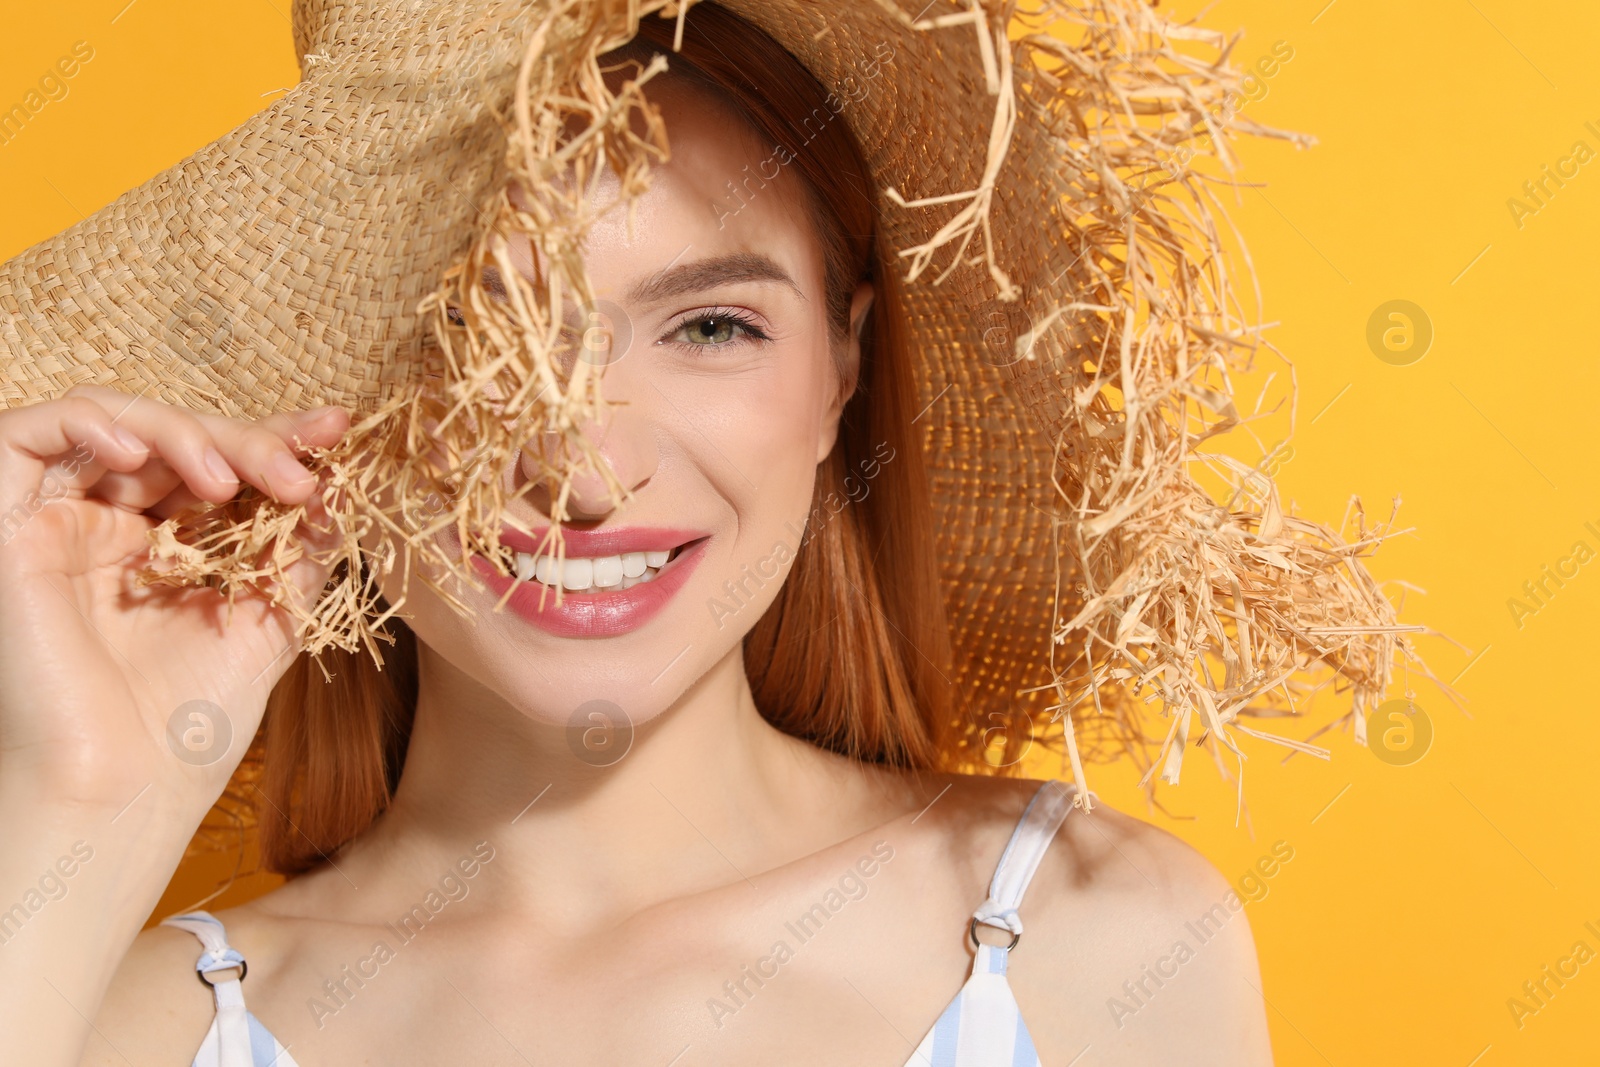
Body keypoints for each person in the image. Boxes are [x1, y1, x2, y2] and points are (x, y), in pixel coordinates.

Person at [0, 2, 1353, 1064]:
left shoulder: (1098, 942)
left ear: (839, 376)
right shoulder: (121, 1024)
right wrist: (93, 801)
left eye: (712, 326)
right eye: (469, 338)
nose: (584, 470)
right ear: (320, 412)